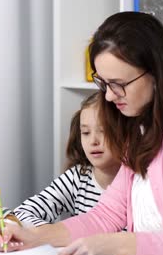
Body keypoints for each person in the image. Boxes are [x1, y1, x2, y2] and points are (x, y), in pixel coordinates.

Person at [0, 11, 163, 255]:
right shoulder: (141, 131)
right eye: (104, 84)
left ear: (156, 73)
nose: (109, 96)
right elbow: (106, 215)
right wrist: (32, 236)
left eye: (118, 84)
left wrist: (120, 244)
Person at [13, 92, 120, 226]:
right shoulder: (78, 177)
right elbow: (21, 213)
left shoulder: (140, 185)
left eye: (104, 131)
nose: (93, 141)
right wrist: (53, 233)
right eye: (86, 133)